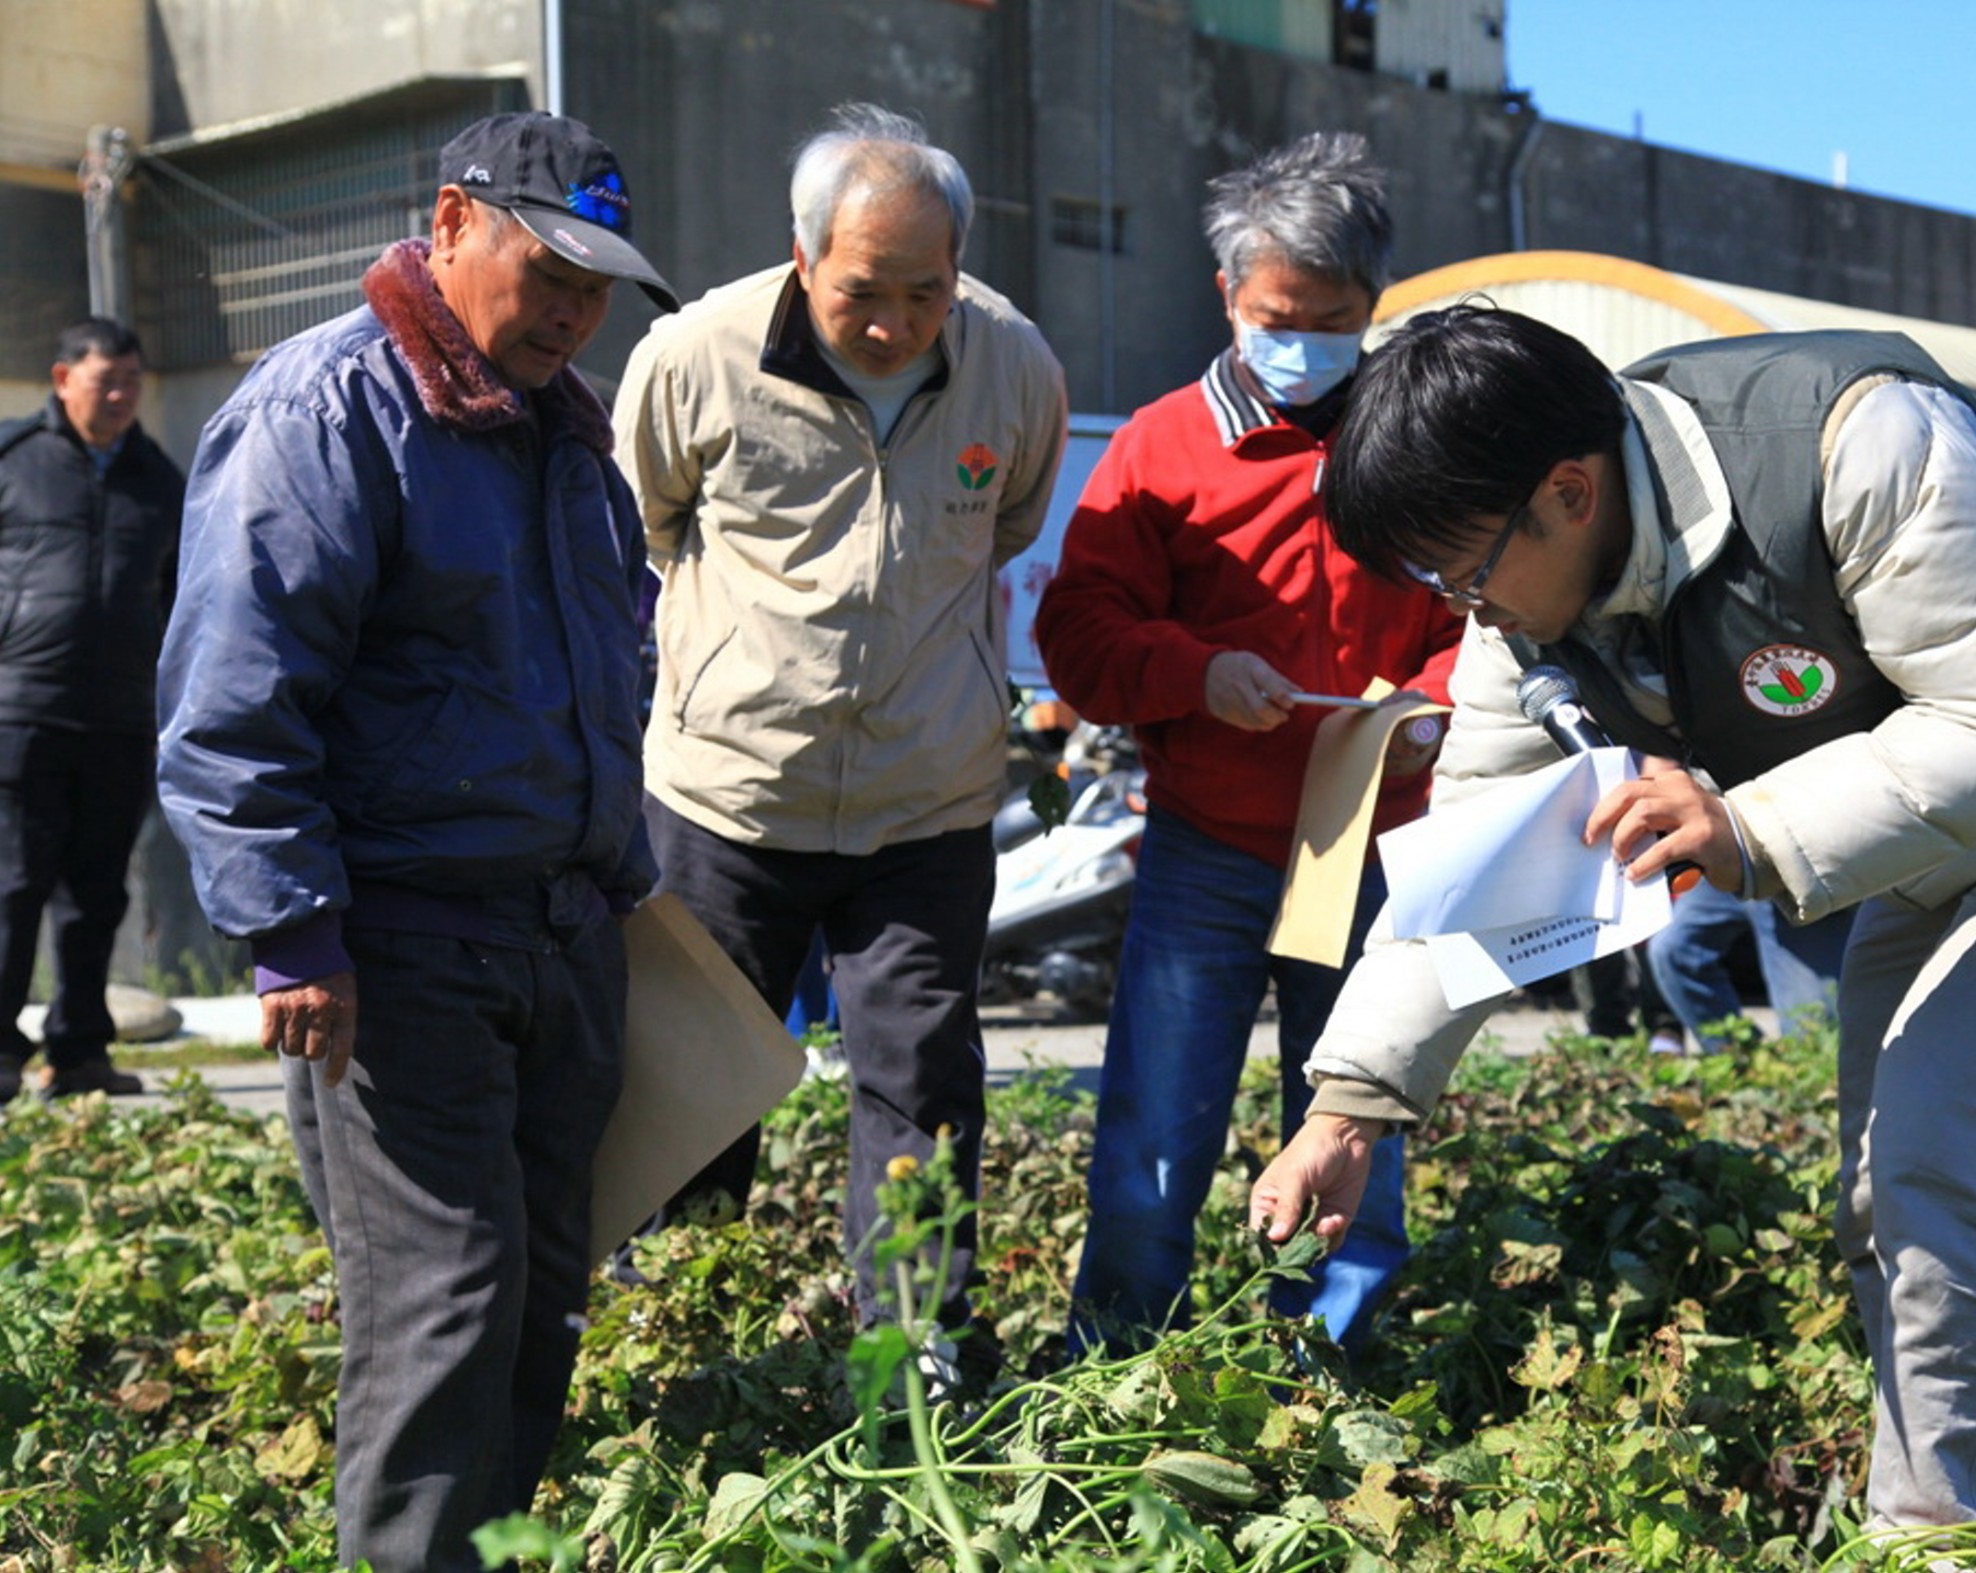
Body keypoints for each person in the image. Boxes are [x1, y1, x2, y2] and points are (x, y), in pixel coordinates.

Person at [1247, 306, 1976, 1541]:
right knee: (1890, 1174)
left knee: (1949, 1142)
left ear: (1568, 492)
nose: (1463, 605)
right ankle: (1954, 1515)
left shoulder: (1859, 439)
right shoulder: (1518, 608)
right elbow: (1480, 861)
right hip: (1933, 800)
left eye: (1463, 570)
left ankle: (1967, 1541)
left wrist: (1747, 831)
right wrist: (1349, 1107)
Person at [156, 111, 675, 1571]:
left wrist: (621, 867)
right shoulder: (324, 410)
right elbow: (233, 693)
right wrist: (291, 929)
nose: (576, 309)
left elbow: (602, 666)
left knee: (542, 1294)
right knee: (445, 1301)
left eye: (599, 284)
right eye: (549, 267)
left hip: (563, 930)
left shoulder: (567, 428)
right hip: (400, 942)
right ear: (451, 224)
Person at [612, 103, 1067, 1358]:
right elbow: (642, 524)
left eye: (928, 292)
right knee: (695, 1084)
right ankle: (688, 1324)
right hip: (727, 796)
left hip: (926, 799)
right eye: (865, 290)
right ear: (804, 255)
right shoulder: (697, 353)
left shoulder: (1011, 365)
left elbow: (1010, 522)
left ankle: (915, 1338)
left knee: (921, 1078)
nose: (897, 323)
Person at [1034, 131, 1461, 1355]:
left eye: (1335, 318)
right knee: (1157, 1135)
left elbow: (1482, 620)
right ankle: (1117, 1357)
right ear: (1228, 295)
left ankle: (1331, 1360)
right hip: (1206, 848)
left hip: (1371, 855)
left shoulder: (1417, 441)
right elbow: (1079, 637)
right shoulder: (1162, 448)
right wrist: (1195, 675)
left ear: (1373, 304)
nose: (1305, 342)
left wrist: (1432, 707)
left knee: (1357, 1134)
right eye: (1280, 314)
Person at [0, 317, 182, 1104]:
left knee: (97, 895)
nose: (119, 396)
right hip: (20, 711)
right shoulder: (14, 459)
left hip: (119, 718)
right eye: (106, 380)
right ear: (62, 377)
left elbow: (183, 597)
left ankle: (78, 1054)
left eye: (131, 382)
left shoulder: (160, 477)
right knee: (10, 887)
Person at [1646, 883, 1852, 1054]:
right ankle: (1745, 1061)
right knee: (1671, 948)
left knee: (1812, 1037)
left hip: (1797, 881)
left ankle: (1806, 1085)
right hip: (1731, 863)